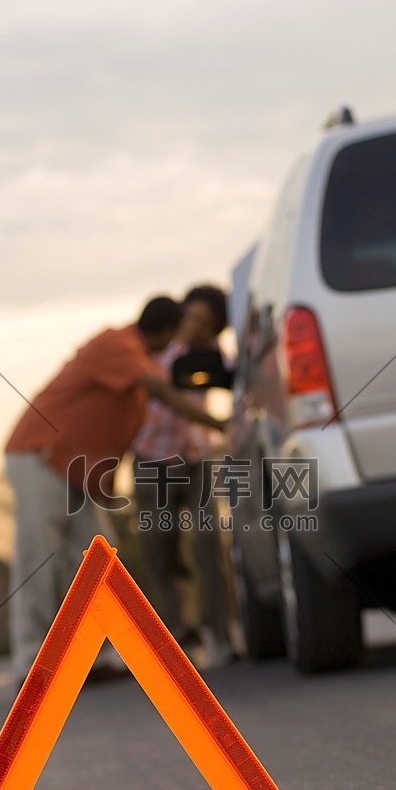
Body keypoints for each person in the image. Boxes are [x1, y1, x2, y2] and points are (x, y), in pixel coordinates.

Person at [4, 295, 224, 686]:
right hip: (40, 456)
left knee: (95, 559)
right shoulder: (119, 345)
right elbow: (166, 396)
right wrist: (222, 425)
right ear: (164, 332)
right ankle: (30, 661)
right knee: (37, 556)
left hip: (72, 472)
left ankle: (96, 656)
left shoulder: (138, 357)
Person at [132, 285, 236, 668]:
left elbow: (229, 386)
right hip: (152, 460)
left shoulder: (211, 357)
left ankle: (224, 636)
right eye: (191, 317)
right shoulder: (152, 353)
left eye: (205, 324)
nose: (195, 328)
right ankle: (180, 638)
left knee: (210, 541)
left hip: (196, 460)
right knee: (162, 550)